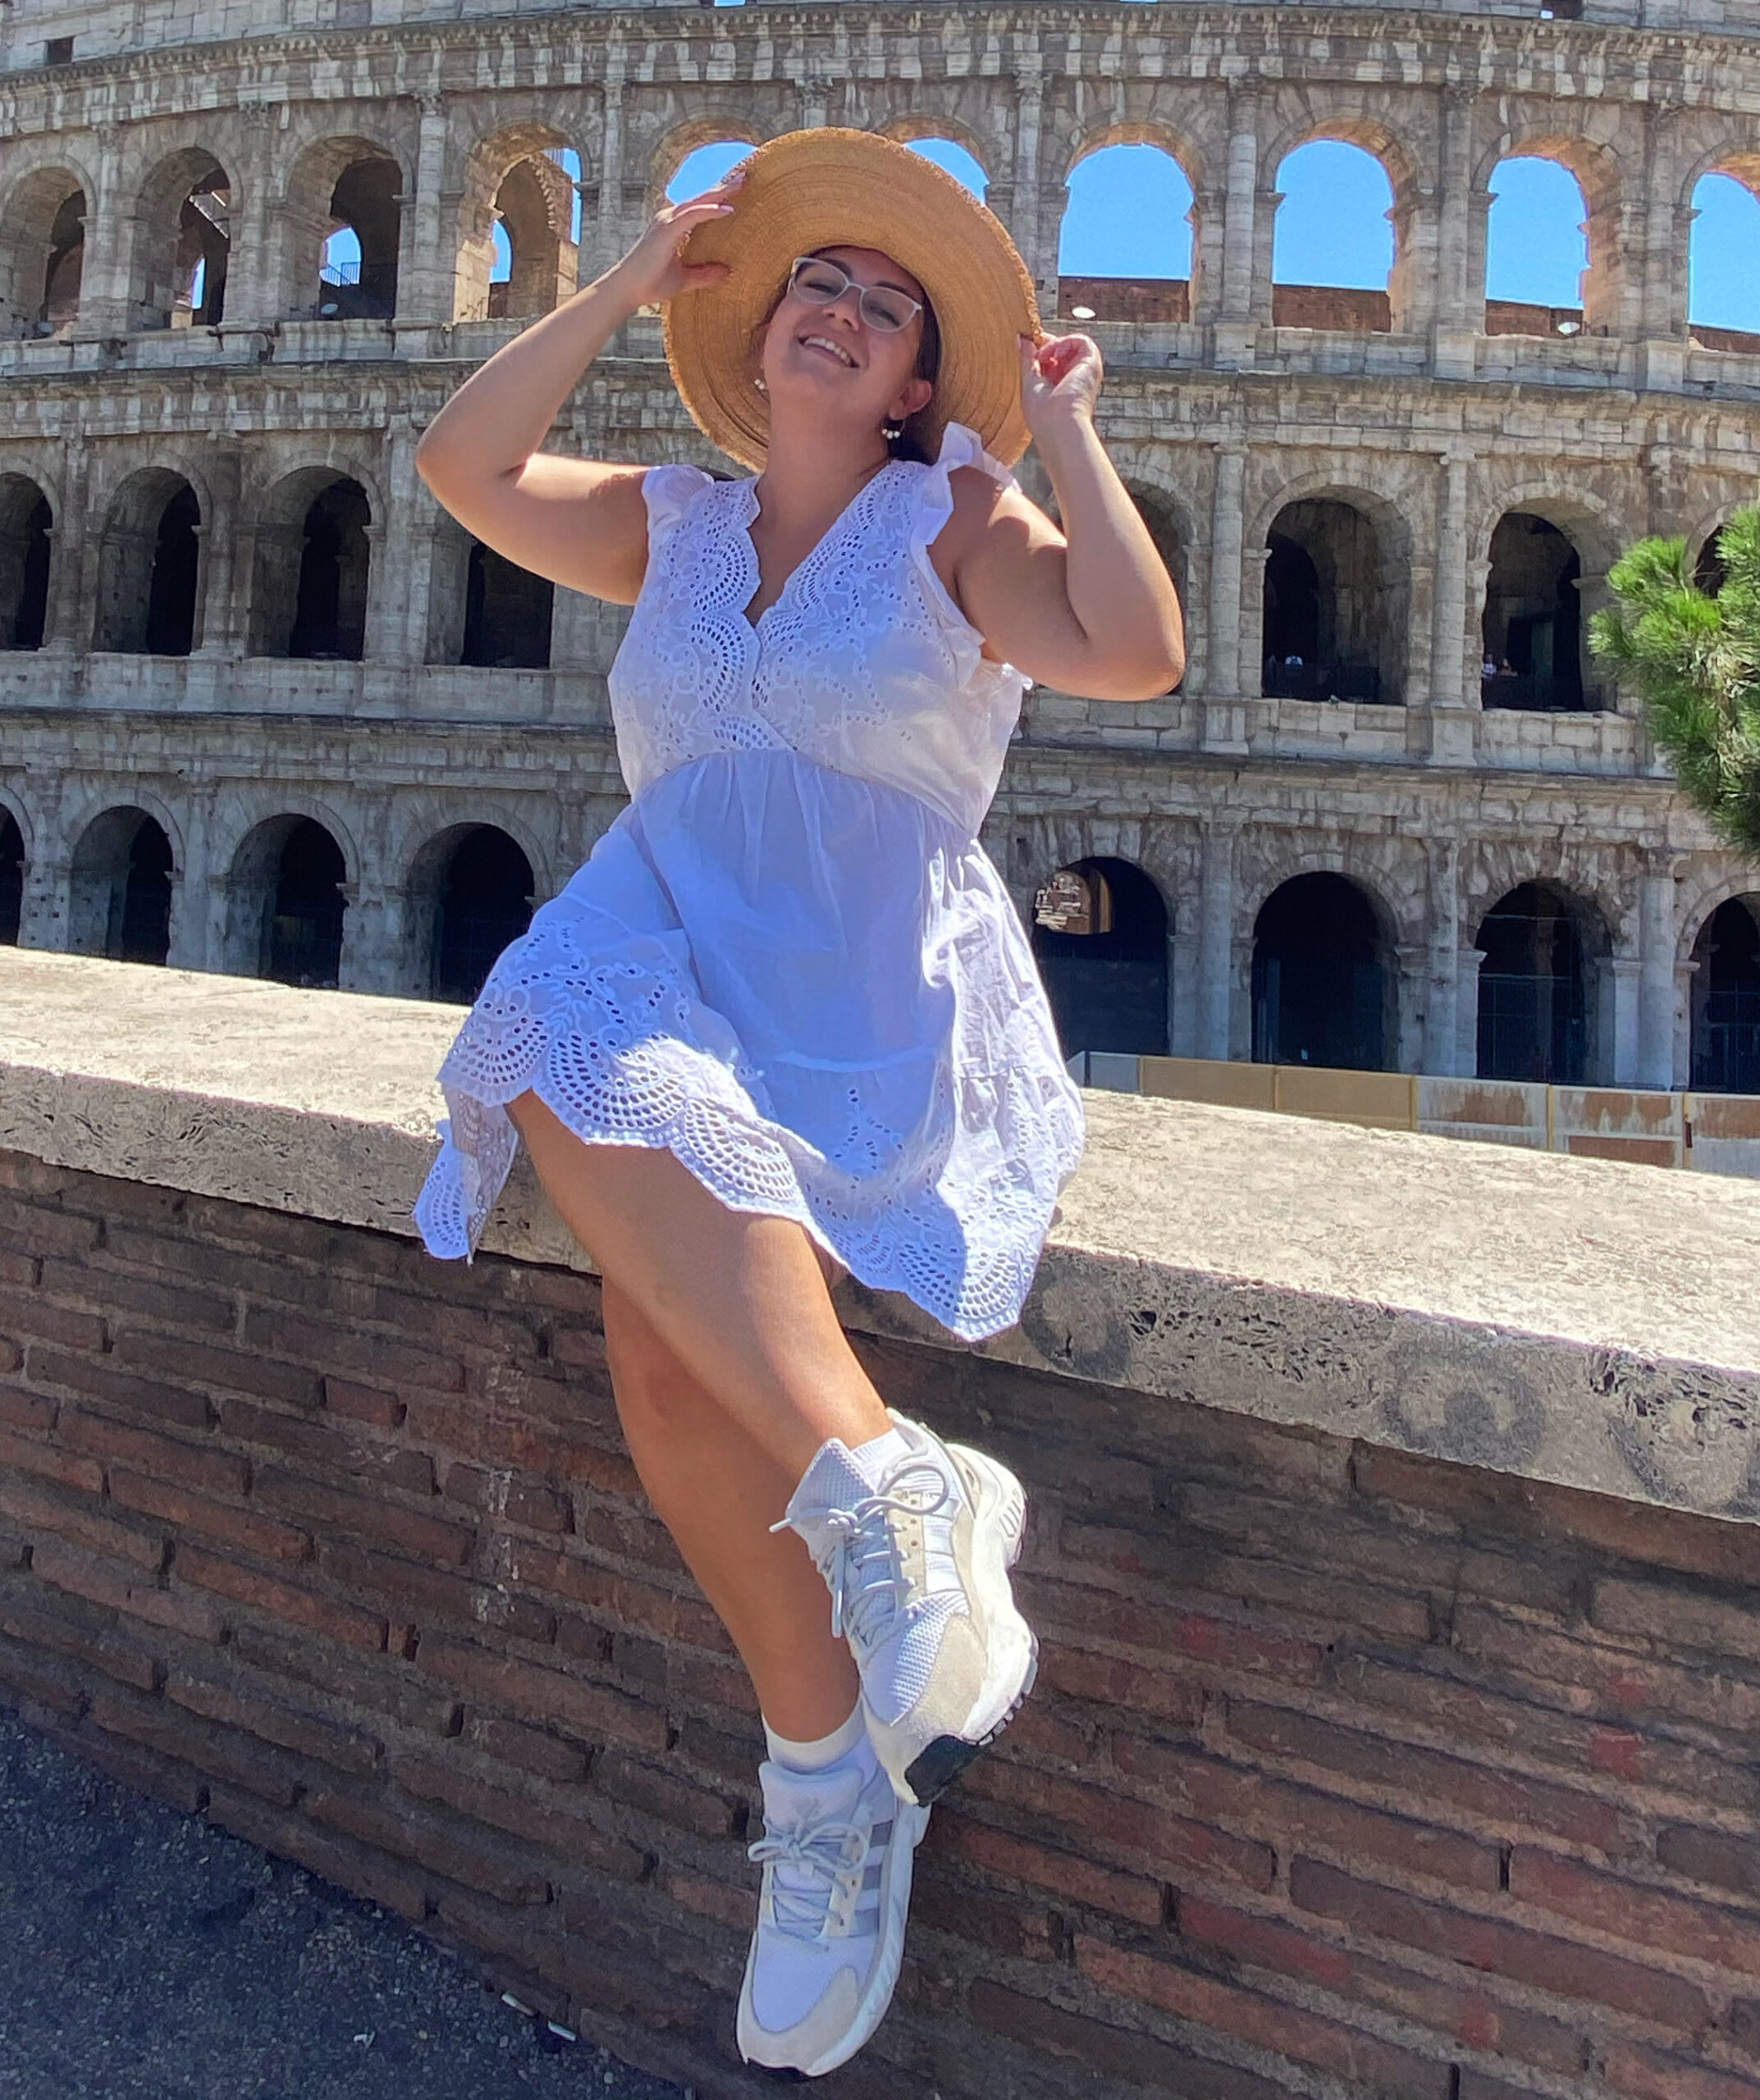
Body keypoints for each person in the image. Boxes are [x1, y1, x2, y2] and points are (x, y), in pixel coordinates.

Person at [406, 129, 1183, 2079]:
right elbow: (459, 466)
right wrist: (620, 285)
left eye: (884, 302)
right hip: (670, 953)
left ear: (922, 379)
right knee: (558, 995)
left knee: (666, 1358)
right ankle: (886, 1518)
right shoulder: (664, 516)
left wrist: (1070, 428)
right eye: (811, 288)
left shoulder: (961, 526)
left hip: (855, 986)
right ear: (759, 341)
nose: (838, 311)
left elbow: (1136, 651)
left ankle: (831, 1772)